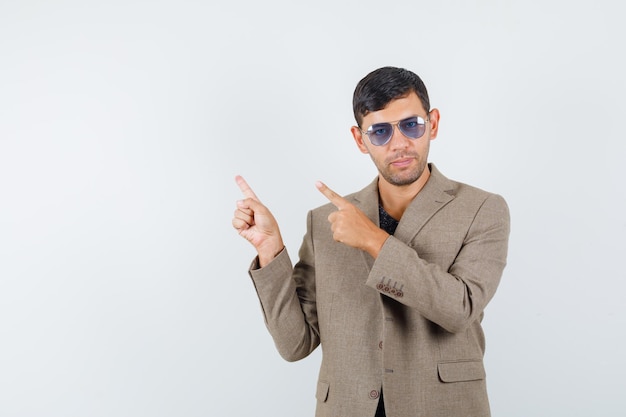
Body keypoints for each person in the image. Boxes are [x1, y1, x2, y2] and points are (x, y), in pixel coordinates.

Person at [232, 66, 510, 417]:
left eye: (411, 125)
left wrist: (374, 241)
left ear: (433, 123)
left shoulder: (482, 209)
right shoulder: (323, 222)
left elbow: (460, 310)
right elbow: (295, 344)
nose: (399, 143)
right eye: (380, 132)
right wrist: (270, 250)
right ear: (360, 139)